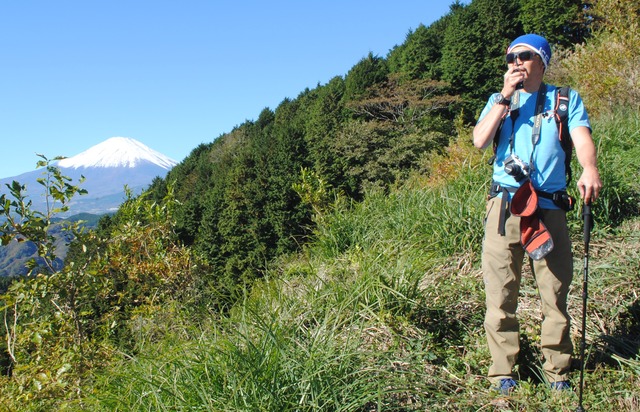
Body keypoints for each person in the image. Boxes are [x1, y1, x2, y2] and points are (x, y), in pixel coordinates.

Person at [472, 34, 602, 394]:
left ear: (542, 61)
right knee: (500, 293)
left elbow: (581, 137)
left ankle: (557, 370)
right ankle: (502, 372)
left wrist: (589, 168)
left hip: (549, 206)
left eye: (525, 56)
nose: (516, 62)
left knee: (555, 291)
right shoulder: (499, 100)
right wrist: (503, 97)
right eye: (511, 57)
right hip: (505, 204)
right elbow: (480, 140)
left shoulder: (565, 99)